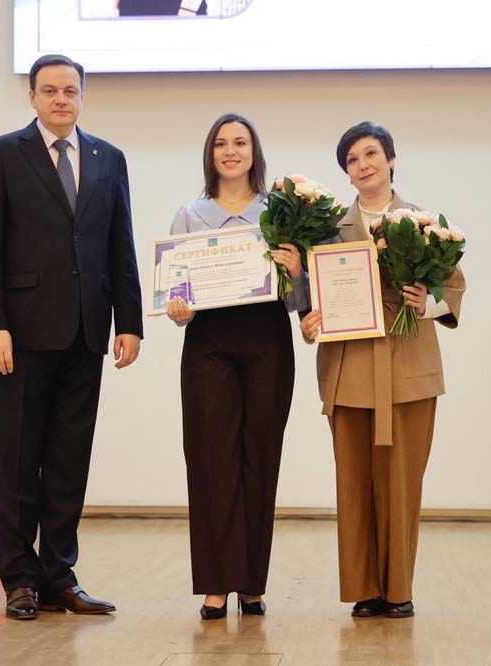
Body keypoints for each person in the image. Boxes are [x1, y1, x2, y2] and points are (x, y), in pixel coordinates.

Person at [0, 54, 143, 620]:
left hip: (87, 332)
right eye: (50, 90)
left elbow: (120, 245)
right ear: (32, 98)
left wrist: (130, 321)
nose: (61, 99)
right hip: (19, 336)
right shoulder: (2, 155)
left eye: (70, 90)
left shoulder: (108, 158)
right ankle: (19, 579)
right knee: (19, 462)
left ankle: (58, 576)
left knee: (69, 463)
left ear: (83, 95)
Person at [299, 121, 465, 619]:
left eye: (370, 154)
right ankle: (365, 589)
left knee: (402, 482)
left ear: (391, 160)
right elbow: (310, 296)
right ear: (346, 172)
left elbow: (453, 287)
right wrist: (309, 319)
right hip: (348, 368)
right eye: (352, 160)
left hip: (409, 368)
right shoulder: (328, 230)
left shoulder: (424, 223)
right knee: (354, 484)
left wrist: (425, 301)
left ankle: (399, 589)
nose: (363, 165)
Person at [166, 113, 307, 619]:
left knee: (260, 457)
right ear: (211, 154)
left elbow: (296, 301)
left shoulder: (281, 214)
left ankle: (250, 584)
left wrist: (298, 272)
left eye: (240, 142)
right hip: (208, 345)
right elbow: (175, 295)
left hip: (268, 341)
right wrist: (176, 307)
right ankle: (215, 584)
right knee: (211, 461)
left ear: (253, 152)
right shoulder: (189, 215)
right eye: (221, 143)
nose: (231, 151)